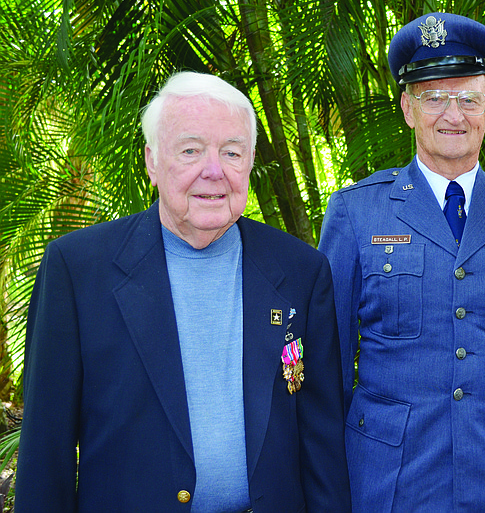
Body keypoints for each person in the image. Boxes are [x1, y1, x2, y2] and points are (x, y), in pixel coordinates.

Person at [15, 72, 352, 512]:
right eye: (191, 150)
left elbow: (321, 439)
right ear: (152, 162)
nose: (213, 170)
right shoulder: (78, 269)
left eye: (231, 152)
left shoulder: (301, 270)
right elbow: (46, 449)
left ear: (250, 162)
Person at [318, 12, 485, 512]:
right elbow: (329, 367)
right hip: (386, 483)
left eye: (469, 100)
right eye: (434, 97)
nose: (453, 115)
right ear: (408, 108)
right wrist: (326, 489)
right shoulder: (356, 212)